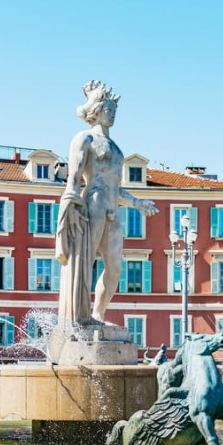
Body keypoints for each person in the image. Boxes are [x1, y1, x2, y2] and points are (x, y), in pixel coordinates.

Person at [56, 80, 158, 326]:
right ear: (96, 110)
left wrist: (136, 203)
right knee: (85, 260)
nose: (111, 115)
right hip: (94, 203)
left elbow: (116, 186)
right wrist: (70, 204)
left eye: (114, 111)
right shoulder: (84, 139)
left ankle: (98, 314)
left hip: (114, 207)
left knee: (115, 269)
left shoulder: (116, 147)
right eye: (107, 110)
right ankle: (78, 317)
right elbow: (74, 177)